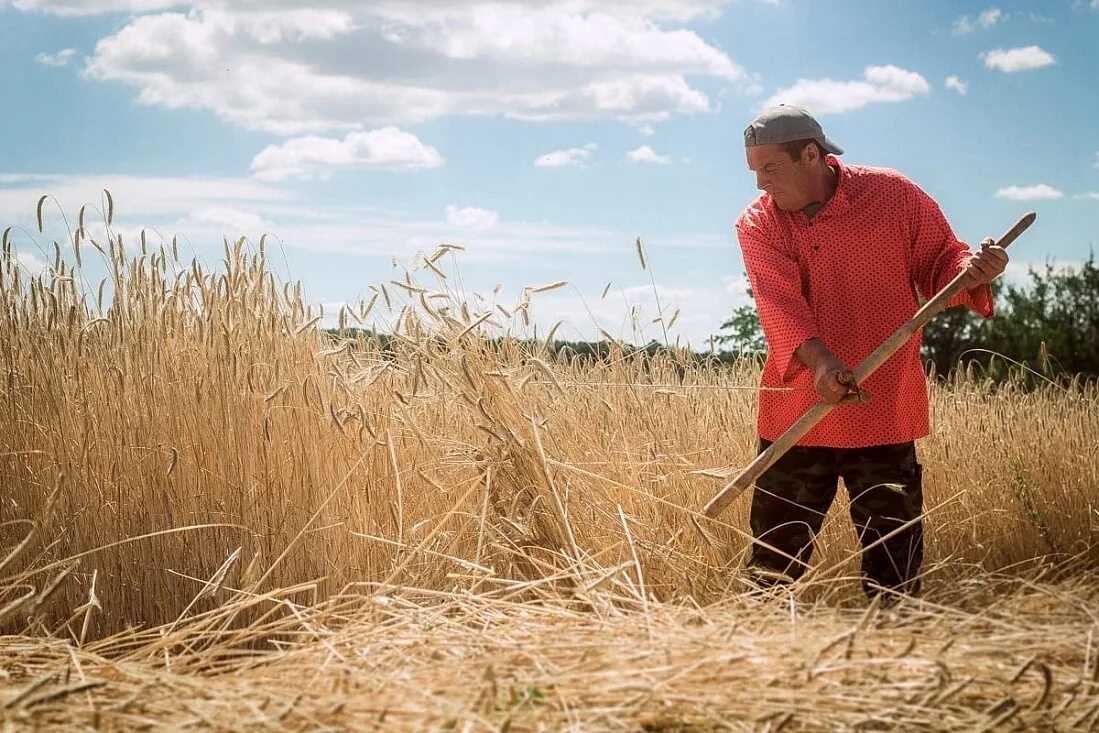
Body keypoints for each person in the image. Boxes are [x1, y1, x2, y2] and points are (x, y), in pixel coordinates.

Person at [735, 105, 1008, 599]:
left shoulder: (893, 195)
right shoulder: (758, 224)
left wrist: (973, 270)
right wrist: (821, 363)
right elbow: (780, 306)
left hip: (883, 407)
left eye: (769, 169)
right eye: (755, 172)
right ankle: (760, 667)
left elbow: (943, 260)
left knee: (895, 575)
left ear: (811, 155)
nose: (760, 185)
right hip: (799, 412)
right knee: (771, 572)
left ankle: (894, 665)